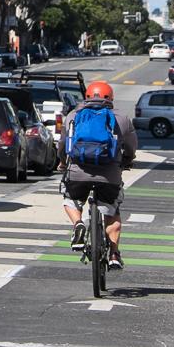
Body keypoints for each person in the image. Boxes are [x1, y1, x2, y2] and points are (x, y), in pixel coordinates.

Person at [57, 81, 137, 270]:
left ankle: (77, 224)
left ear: (86, 97)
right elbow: (131, 147)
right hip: (109, 176)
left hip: (77, 173)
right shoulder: (121, 118)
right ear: (111, 98)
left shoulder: (73, 116)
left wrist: (62, 162)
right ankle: (114, 253)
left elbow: (62, 145)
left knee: (70, 200)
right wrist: (127, 160)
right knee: (113, 212)